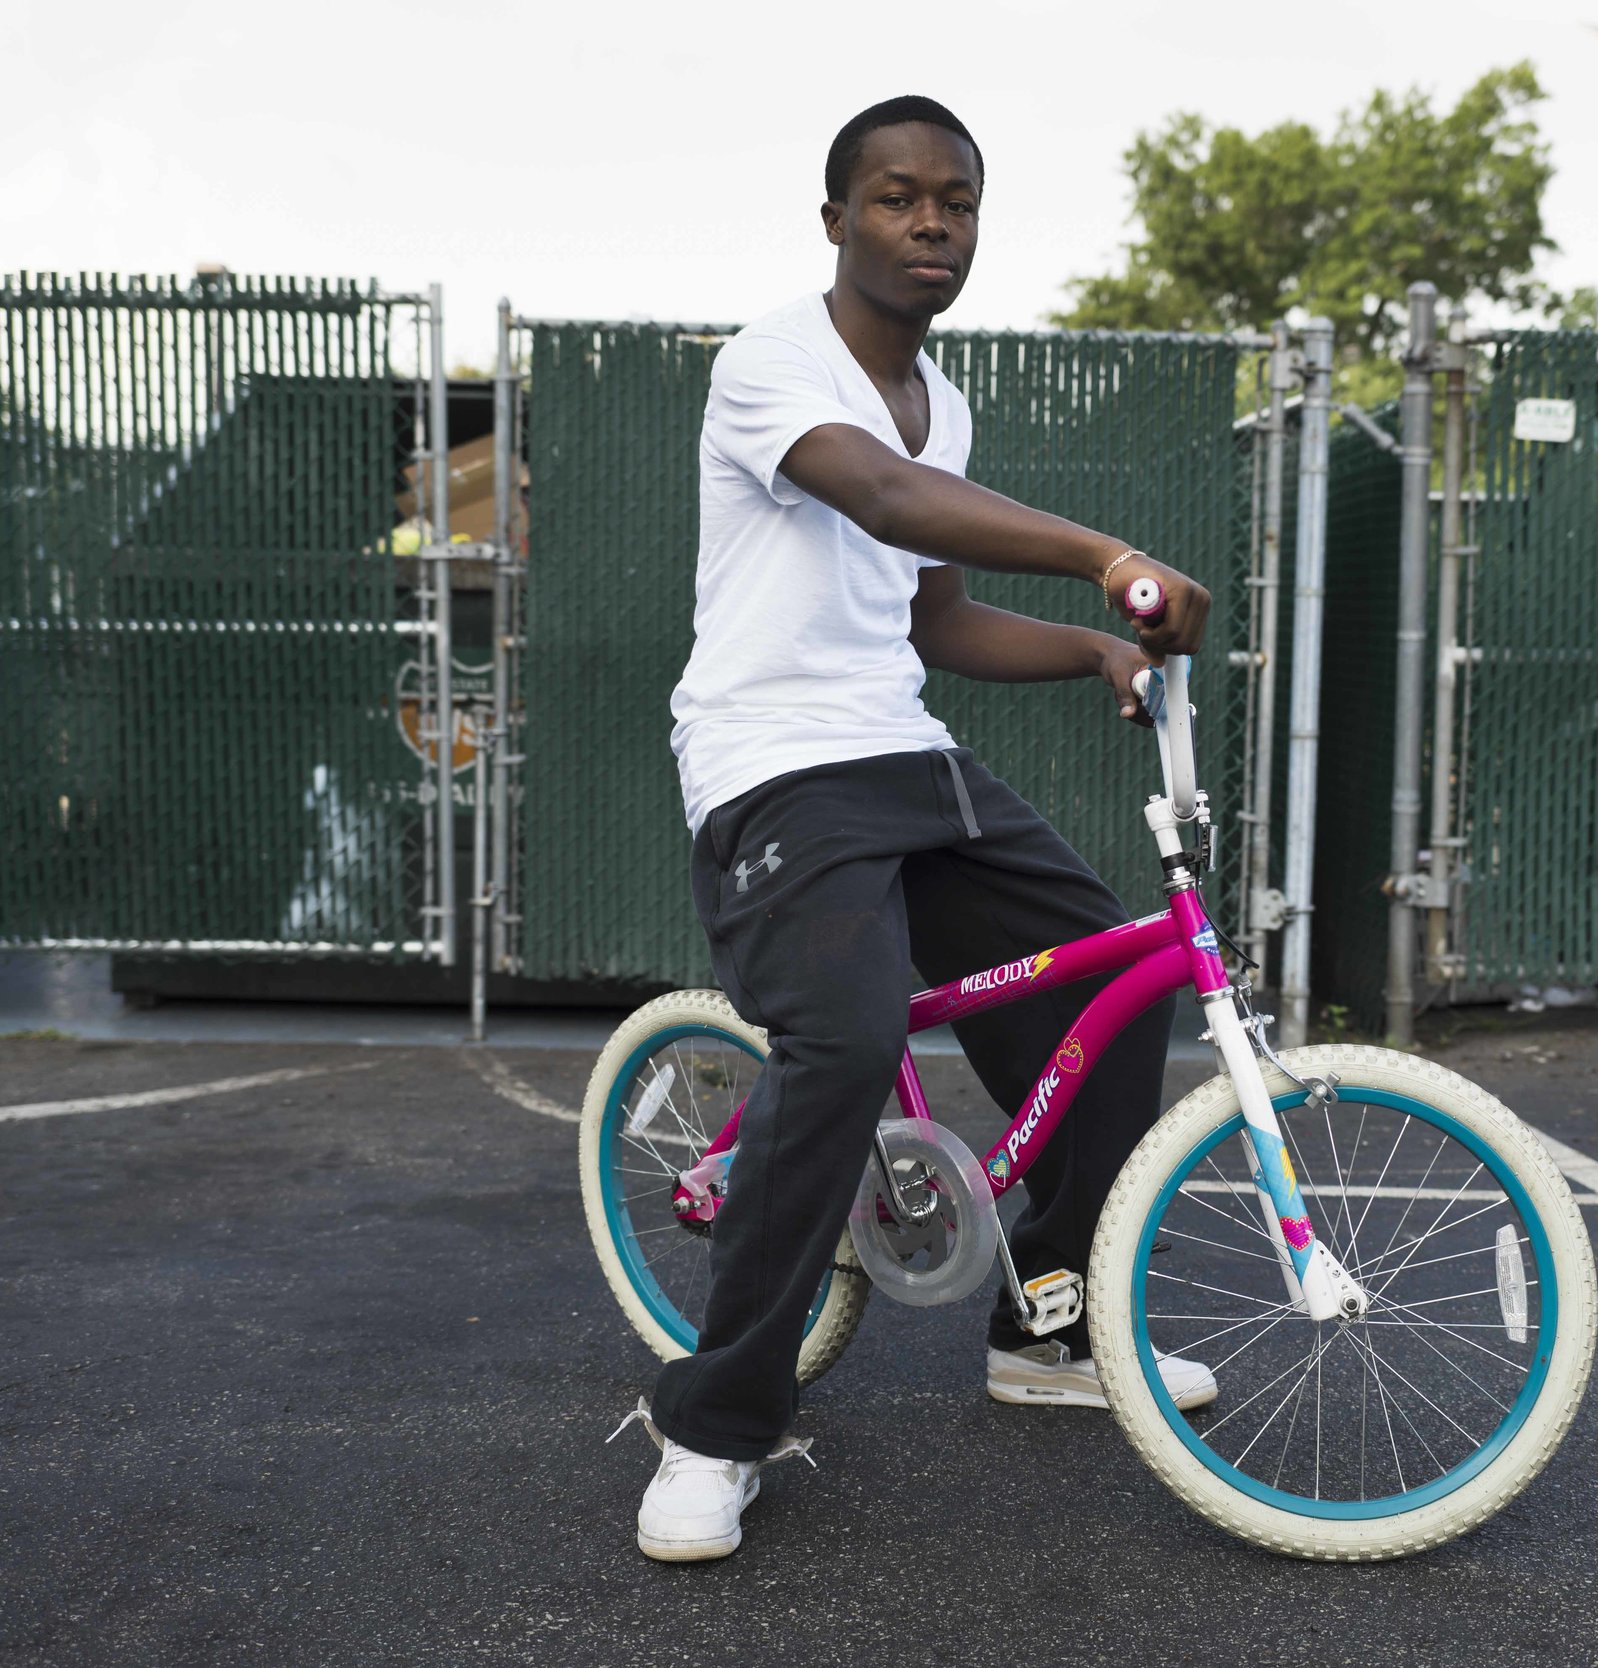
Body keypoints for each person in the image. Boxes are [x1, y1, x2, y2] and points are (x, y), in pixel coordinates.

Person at [634, 95, 1218, 1561]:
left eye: (955, 201)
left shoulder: (945, 404)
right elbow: (889, 504)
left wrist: (1094, 650)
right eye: (896, 198)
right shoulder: (773, 362)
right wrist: (1105, 559)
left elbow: (937, 616)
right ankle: (712, 1423)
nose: (930, 223)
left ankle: (1051, 1328)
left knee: (1113, 970)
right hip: (775, 768)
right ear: (836, 218)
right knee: (842, 1038)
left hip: (904, 753)